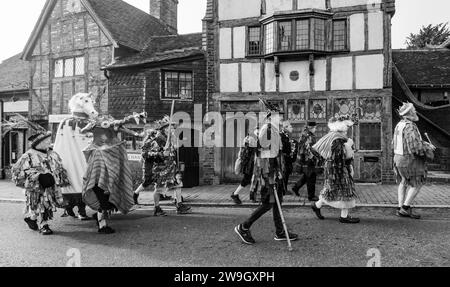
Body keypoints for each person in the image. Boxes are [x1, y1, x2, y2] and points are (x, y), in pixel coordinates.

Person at [235, 100, 298, 245]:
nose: (280, 117)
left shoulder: (274, 130)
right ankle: (243, 227)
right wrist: (271, 174)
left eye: (280, 115)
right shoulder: (267, 130)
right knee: (268, 203)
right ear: (270, 117)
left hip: (275, 172)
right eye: (277, 115)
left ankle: (280, 232)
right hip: (268, 173)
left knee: (277, 202)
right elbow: (262, 153)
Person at [82, 115, 138, 234]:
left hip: (108, 182)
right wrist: (92, 124)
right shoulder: (97, 153)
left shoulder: (114, 151)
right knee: (104, 202)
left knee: (107, 202)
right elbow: (83, 130)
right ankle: (102, 225)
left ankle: (100, 219)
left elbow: (117, 169)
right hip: (99, 183)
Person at [12, 130, 70, 235]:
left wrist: (59, 178)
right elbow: (17, 170)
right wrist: (37, 175)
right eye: (47, 141)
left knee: (46, 205)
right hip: (36, 187)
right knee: (38, 204)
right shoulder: (28, 155)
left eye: (49, 140)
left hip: (50, 185)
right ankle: (43, 225)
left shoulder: (52, 153)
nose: (49, 142)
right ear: (39, 143)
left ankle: (33, 219)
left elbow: (59, 167)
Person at [54, 93, 98, 221]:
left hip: (86, 159)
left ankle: (81, 209)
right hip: (71, 160)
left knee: (83, 182)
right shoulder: (67, 122)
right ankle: (73, 209)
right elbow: (61, 144)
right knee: (74, 182)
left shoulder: (90, 123)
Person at [310, 116, 360, 224]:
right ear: (342, 128)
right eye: (347, 127)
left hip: (332, 167)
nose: (347, 130)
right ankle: (344, 216)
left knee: (332, 188)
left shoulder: (332, 136)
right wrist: (349, 147)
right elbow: (339, 157)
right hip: (338, 168)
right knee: (346, 189)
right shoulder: (337, 140)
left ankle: (317, 205)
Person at [393, 103, 435, 219]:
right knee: (417, 183)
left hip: (398, 158)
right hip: (408, 160)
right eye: (414, 111)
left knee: (403, 182)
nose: (416, 112)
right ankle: (405, 209)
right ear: (410, 114)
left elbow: (401, 143)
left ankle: (400, 207)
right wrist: (428, 148)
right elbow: (415, 147)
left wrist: (424, 143)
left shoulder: (399, 125)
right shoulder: (410, 126)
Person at [150, 116, 190, 216]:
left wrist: (174, 137)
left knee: (178, 184)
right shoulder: (158, 137)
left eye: (171, 126)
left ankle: (179, 205)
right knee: (159, 188)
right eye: (169, 126)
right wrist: (163, 152)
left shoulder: (169, 136)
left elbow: (176, 147)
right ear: (163, 127)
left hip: (171, 165)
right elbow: (156, 152)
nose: (171, 128)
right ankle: (156, 207)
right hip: (161, 167)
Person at [292, 121, 319, 201]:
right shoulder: (307, 135)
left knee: (307, 176)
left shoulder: (307, 134)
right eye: (314, 127)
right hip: (308, 159)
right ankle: (311, 196)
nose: (315, 129)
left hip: (308, 159)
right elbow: (306, 148)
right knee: (311, 177)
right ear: (311, 127)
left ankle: (296, 187)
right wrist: (312, 156)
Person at [231, 133, 258, 205]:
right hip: (250, 163)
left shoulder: (248, 138)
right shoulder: (252, 139)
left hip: (249, 163)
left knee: (251, 179)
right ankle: (235, 194)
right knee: (247, 179)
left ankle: (253, 196)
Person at [133, 128, 157, 205]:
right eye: (153, 134)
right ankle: (135, 194)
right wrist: (153, 154)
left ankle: (160, 194)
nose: (155, 136)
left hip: (154, 163)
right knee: (147, 181)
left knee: (157, 179)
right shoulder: (147, 142)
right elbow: (144, 154)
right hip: (148, 164)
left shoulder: (154, 142)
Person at [279, 120, 297, 196]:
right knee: (284, 174)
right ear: (285, 127)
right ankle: (283, 190)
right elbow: (281, 147)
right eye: (290, 126)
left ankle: (284, 189)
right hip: (284, 158)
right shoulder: (281, 135)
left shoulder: (286, 135)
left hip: (287, 157)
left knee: (286, 174)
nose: (292, 128)